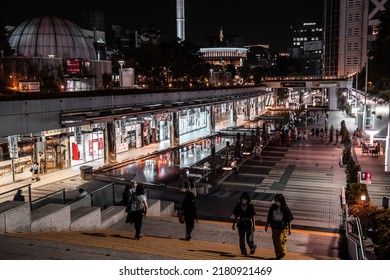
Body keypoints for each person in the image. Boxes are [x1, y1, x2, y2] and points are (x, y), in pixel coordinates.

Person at [265, 193, 294, 259]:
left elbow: (288, 220)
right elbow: (269, 216)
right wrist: (267, 225)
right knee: (275, 240)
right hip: (274, 226)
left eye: (277, 201)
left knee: (280, 240)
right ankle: (277, 253)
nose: (276, 202)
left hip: (282, 227)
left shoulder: (285, 209)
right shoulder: (273, 207)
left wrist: (289, 229)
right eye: (275, 200)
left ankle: (282, 252)